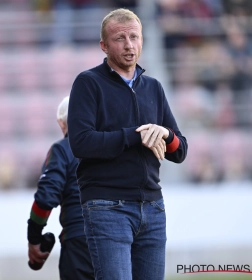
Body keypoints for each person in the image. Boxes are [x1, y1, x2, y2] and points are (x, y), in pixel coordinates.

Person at [67, 8, 188, 280]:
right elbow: (81, 143)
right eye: (120, 38)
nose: (129, 44)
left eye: (134, 37)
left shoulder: (154, 87)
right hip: (107, 206)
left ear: (143, 40)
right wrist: (137, 135)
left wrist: (165, 135)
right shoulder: (88, 83)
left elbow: (180, 151)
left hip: (153, 207)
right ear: (104, 46)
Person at [27, 96, 94, 280]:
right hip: (120, 241)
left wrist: (33, 237)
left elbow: (46, 198)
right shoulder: (113, 146)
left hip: (79, 243)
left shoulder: (63, 149)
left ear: (62, 123)